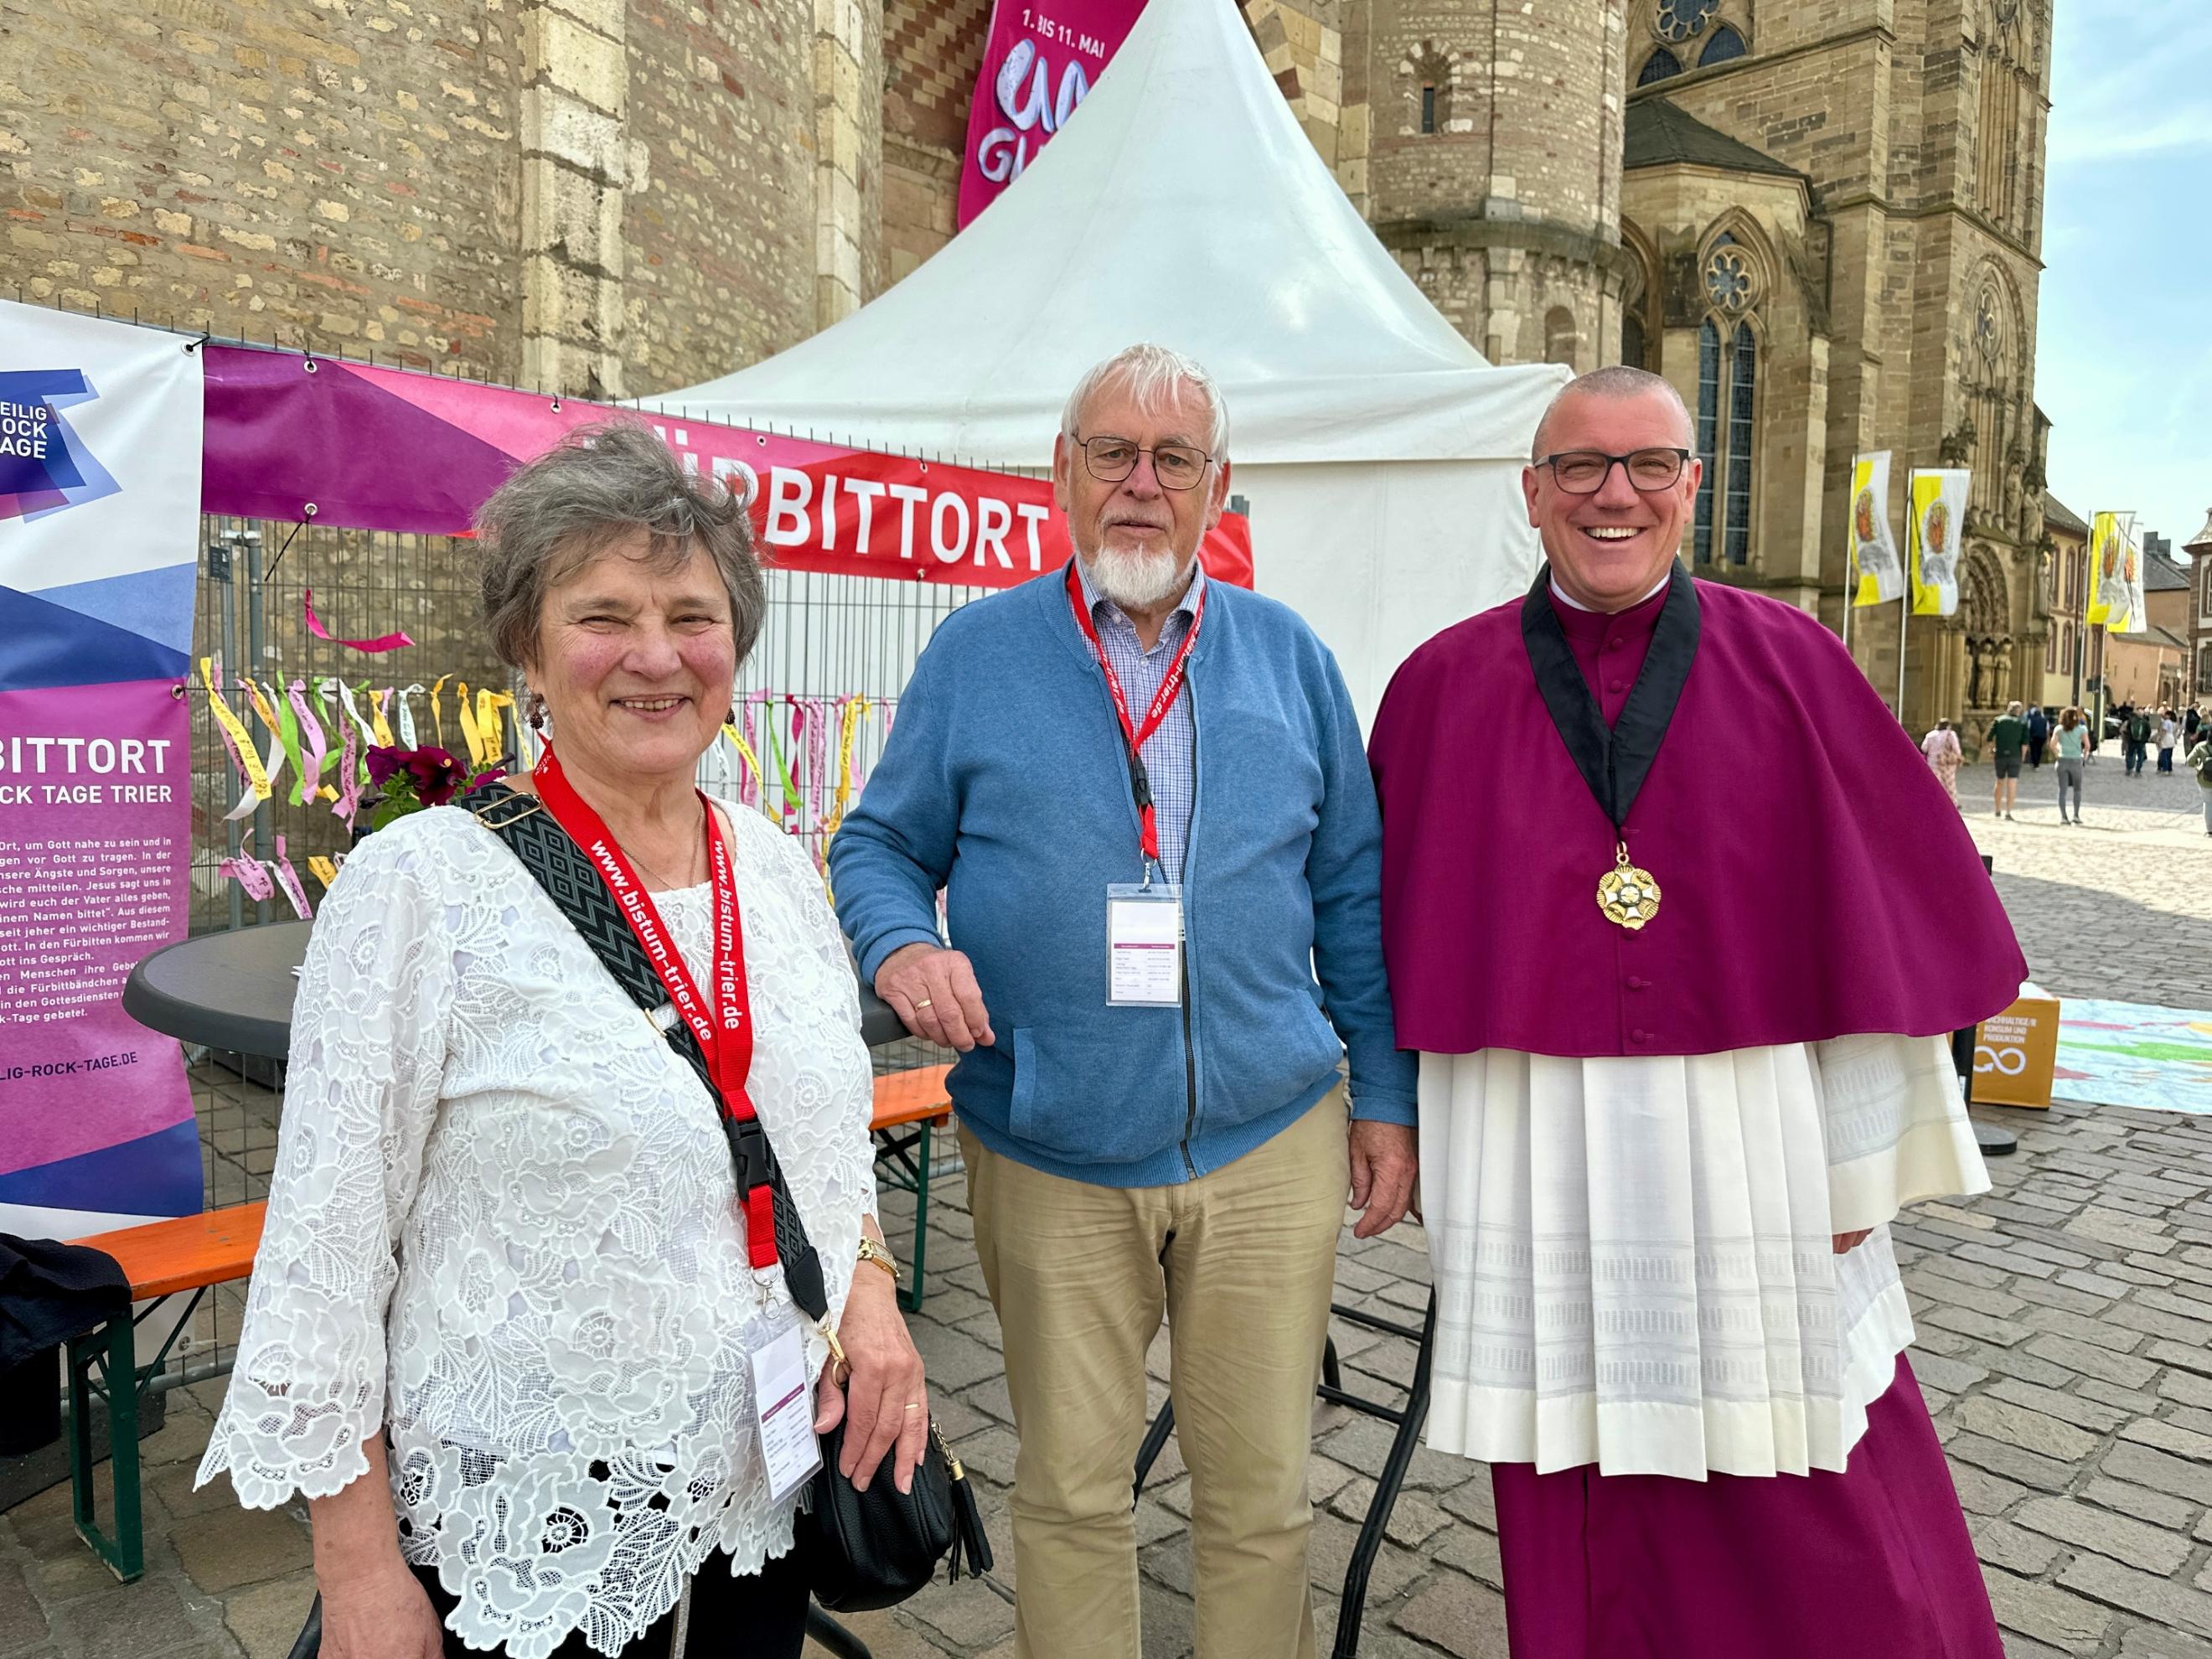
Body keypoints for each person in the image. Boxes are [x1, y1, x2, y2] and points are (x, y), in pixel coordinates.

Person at [197, 423, 927, 1659]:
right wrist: (360, 1567)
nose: (655, 656)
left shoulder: (776, 868)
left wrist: (871, 1298)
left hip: (762, 1480)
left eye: (692, 615)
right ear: (526, 651)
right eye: (604, 616)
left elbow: (821, 1144)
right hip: (529, 1530)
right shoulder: (421, 885)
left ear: (735, 646)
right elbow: (325, 1256)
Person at [1367, 366, 2021, 1659]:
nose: (1614, 495)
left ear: (1692, 485)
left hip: (1753, 1135)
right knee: (1570, 1464)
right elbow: (1384, 930)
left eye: (1647, 466)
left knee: (1810, 1466)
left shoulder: (1795, 665)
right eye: (1580, 469)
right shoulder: (1440, 685)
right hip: (1530, 1129)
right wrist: (1401, 1122)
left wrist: (1859, 1165)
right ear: (1533, 493)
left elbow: (1871, 924)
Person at [830, 344, 1418, 1659]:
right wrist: (896, 947)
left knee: (1261, 1497)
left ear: (1222, 487)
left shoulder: (1290, 660)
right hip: (1051, 1151)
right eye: (1113, 454)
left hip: (1270, 1139)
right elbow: (877, 845)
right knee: (1076, 1494)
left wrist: (1382, 1097)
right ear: (1062, 474)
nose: (1141, 487)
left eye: (1174, 461)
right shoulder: (979, 653)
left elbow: (1354, 897)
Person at [1986, 700, 2026, 818]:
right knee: (2012, 783)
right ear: (2019, 711)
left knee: (1999, 781)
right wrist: (2022, 757)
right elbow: (2024, 744)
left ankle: (1997, 809)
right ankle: (2008, 812)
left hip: (2000, 755)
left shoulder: (1998, 720)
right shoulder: (2022, 723)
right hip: (2015, 756)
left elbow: (1989, 737)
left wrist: (1992, 749)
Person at [2054, 705, 2089, 824]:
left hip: (2062, 760)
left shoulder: (2059, 729)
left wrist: (2057, 754)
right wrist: (2084, 756)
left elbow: (2052, 744)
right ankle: (2076, 815)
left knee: (2062, 790)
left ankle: (2063, 817)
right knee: (2077, 789)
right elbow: (2087, 745)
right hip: (2075, 761)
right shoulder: (2081, 729)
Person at [1920, 716, 1963, 805]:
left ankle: (1935, 802)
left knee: (1936, 783)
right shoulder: (1951, 734)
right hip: (1948, 763)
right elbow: (1956, 748)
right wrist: (1959, 757)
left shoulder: (1930, 735)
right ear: (1948, 726)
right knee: (1949, 783)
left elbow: (1924, 748)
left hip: (1933, 763)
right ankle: (1952, 803)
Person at [2187, 727, 2212, 835]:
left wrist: (2198, 765)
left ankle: (2210, 829)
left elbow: (2190, 761)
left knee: (2208, 803)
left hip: (2205, 779)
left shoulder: (2201, 746)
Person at [2123, 704, 2152, 777]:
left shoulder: (2131, 721)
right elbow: (2148, 732)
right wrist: (2145, 739)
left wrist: (2128, 739)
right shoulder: (2145, 722)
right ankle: (2138, 771)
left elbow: (2127, 730)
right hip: (2141, 742)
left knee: (2130, 755)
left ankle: (2129, 769)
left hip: (2132, 741)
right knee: (2140, 757)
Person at [2024, 701, 2049, 769]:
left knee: (2033, 750)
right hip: (2041, 737)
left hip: (2033, 736)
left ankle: (2034, 763)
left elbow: (2028, 729)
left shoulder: (2031, 719)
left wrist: (2027, 737)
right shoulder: (2045, 720)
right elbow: (2047, 729)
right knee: (2039, 749)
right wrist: (2047, 739)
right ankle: (2037, 762)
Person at [2158, 707, 2178, 773]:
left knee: (2164, 754)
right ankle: (2169, 769)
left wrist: (2160, 739)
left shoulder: (2166, 722)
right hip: (2171, 737)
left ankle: (2165, 769)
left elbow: (2164, 731)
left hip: (2166, 738)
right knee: (2169, 754)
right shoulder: (2173, 723)